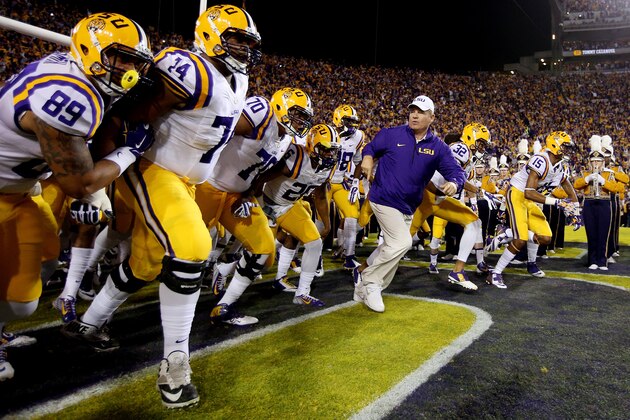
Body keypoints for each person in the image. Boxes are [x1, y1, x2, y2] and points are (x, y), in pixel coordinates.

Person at [61, 5, 261, 408]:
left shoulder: (236, 77)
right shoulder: (187, 68)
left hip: (185, 180)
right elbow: (118, 118)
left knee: (146, 264)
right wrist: (98, 185)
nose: (242, 47)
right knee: (192, 248)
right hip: (153, 167)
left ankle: (89, 323)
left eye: (247, 41)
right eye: (235, 37)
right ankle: (175, 365)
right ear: (209, 35)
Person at [0, 12, 154, 381]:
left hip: (20, 190)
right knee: (20, 299)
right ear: (90, 51)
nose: (130, 70)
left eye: (136, 61)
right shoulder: (71, 96)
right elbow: (80, 184)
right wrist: (129, 151)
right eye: (122, 58)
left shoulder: (72, 68)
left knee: (43, 266)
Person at [201, 87, 313, 324]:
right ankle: (102, 312)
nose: (299, 121)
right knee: (172, 252)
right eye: (296, 114)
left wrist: (248, 193)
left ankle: (224, 307)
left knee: (264, 249)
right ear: (281, 106)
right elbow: (220, 133)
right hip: (207, 186)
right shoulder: (262, 111)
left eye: (304, 117)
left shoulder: (286, 140)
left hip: (237, 196)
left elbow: (259, 172)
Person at [353, 95, 466, 312]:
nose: (415, 114)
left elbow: (456, 172)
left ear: (432, 117)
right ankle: (370, 280)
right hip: (383, 197)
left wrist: (454, 183)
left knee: (391, 247)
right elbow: (370, 148)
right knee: (403, 242)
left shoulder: (439, 147)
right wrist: (367, 158)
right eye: (412, 110)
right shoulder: (391, 133)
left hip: (407, 206)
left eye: (421, 112)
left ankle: (363, 288)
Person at [254, 123, 340, 306]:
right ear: (312, 145)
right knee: (260, 255)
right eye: (325, 150)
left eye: (333, 151)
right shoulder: (295, 156)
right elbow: (259, 178)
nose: (329, 155)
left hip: (288, 206)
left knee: (314, 243)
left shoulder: (327, 168)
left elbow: (321, 195)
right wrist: (260, 206)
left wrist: (326, 222)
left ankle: (302, 293)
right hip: (266, 202)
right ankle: (221, 275)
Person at [486, 131, 582, 289]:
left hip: (531, 200)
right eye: (565, 147)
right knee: (520, 239)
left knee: (545, 237)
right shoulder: (541, 160)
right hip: (518, 194)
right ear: (555, 145)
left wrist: (576, 210)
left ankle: (530, 262)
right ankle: (495, 273)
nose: (568, 150)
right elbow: (528, 191)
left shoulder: (560, 165)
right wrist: (557, 202)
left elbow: (567, 186)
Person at [328, 105, 366, 270]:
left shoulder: (358, 136)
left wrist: (356, 182)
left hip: (341, 182)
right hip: (324, 183)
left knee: (351, 217)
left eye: (353, 121)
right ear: (338, 119)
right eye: (348, 121)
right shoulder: (327, 133)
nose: (352, 125)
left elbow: (358, 162)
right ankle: (294, 256)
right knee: (320, 225)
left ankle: (349, 256)